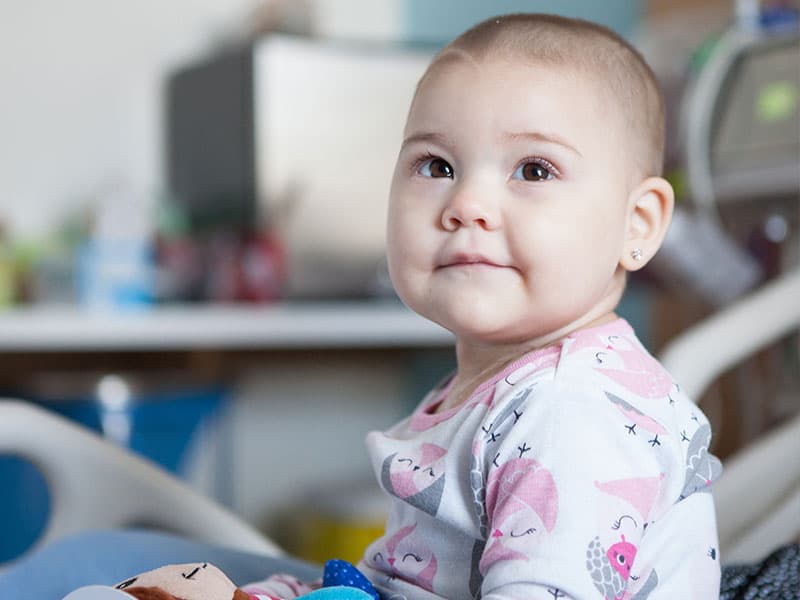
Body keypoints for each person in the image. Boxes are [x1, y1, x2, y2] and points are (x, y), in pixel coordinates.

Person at [244, 12, 723, 600]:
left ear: (637, 224)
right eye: (437, 166)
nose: (467, 203)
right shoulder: (502, 387)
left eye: (534, 170)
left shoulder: (569, 410)